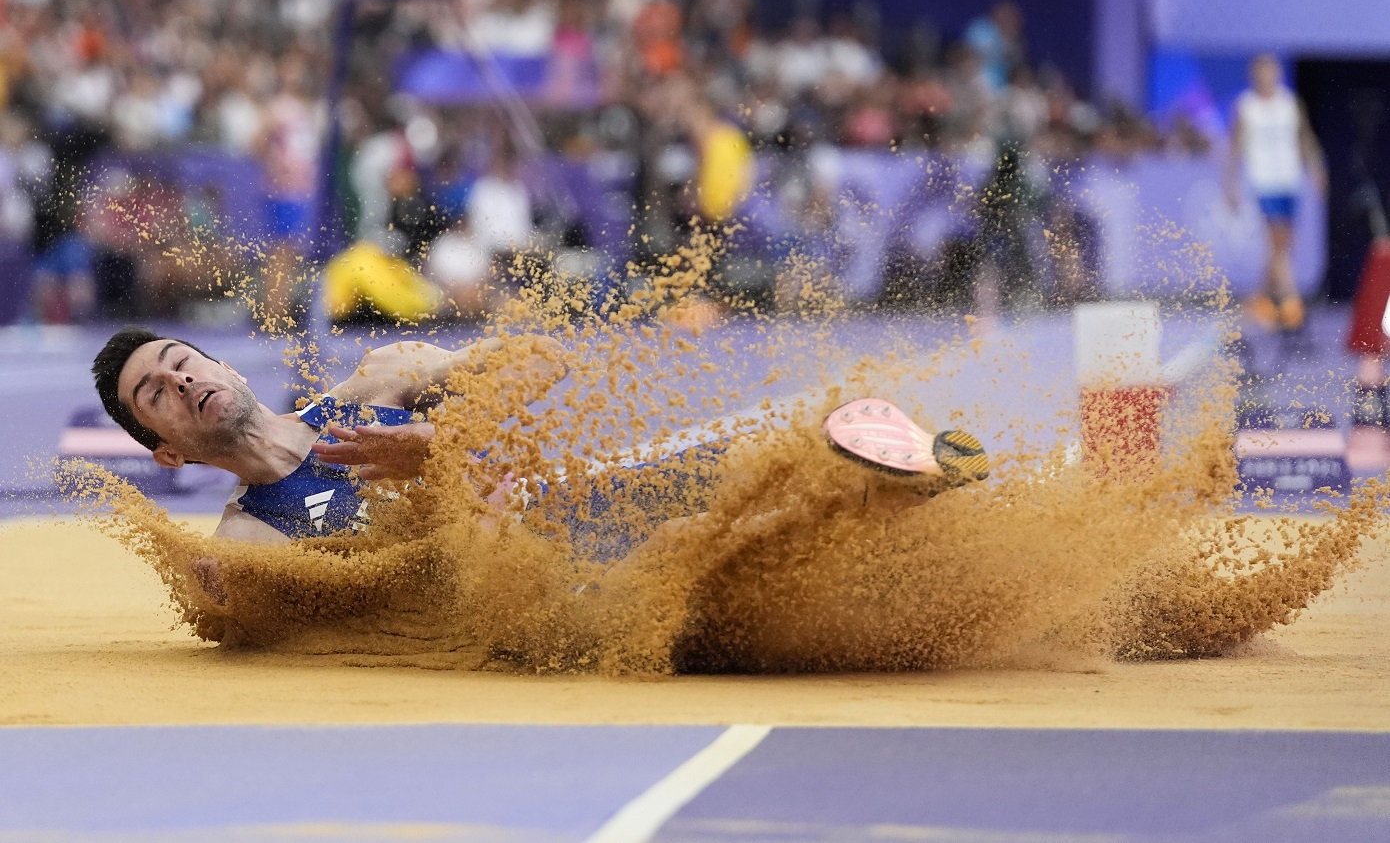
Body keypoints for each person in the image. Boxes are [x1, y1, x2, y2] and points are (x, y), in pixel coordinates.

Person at [90, 327, 988, 595]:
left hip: (577, 501)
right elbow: (283, 609)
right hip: (544, 585)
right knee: (685, 552)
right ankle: (878, 498)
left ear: (219, 364)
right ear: (167, 448)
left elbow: (544, 359)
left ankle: (899, 479)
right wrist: (442, 502)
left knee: (753, 455)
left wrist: (446, 441)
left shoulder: (384, 381)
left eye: (181, 362)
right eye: (156, 395)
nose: (181, 381)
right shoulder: (249, 537)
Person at [1226, 54, 1327, 332]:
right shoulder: (1246, 106)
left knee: (1284, 244)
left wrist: (1316, 168)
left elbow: (1305, 138)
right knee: (1276, 240)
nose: (1266, 77)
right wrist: (1230, 184)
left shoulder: (1289, 103)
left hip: (1290, 180)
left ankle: (1260, 299)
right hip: (1262, 180)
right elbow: (1234, 148)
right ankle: (1293, 303)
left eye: (1271, 72)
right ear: (1254, 76)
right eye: (1261, 73)